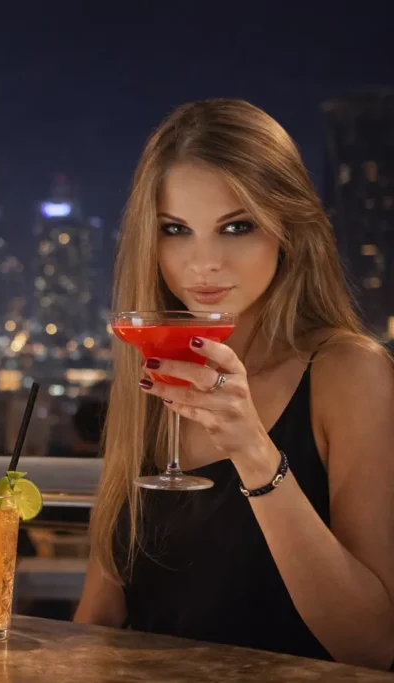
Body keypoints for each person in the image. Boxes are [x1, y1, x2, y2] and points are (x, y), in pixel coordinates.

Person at [74, 99, 394, 671]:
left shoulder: (349, 374)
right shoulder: (151, 372)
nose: (203, 263)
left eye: (236, 227)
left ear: (288, 227)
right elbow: (101, 618)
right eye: (176, 230)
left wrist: (252, 449)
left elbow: (375, 645)